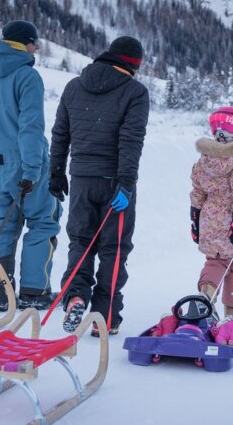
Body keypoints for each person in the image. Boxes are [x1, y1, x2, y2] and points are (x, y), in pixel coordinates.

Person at [49, 36, 150, 335]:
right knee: (113, 249)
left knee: (81, 242)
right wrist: (126, 185)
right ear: (133, 65)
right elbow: (131, 141)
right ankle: (104, 317)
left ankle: (76, 295)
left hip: (80, 179)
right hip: (114, 183)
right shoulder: (135, 92)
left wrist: (56, 173)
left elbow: (60, 135)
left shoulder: (73, 87)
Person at [0, 20, 62, 312]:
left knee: (2, 224)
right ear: (25, 43)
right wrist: (32, 169)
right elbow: (31, 126)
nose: (37, 48)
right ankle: (34, 292)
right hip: (26, 162)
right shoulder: (27, 76)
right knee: (42, 221)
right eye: (35, 42)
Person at [190, 106, 233, 322]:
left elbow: (198, 191)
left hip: (209, 219)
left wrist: (195, 219)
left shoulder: (204, 159)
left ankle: (206, 294)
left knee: (215, 261)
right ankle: (231, 309)